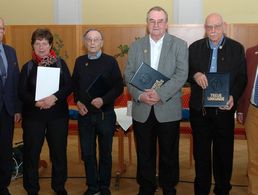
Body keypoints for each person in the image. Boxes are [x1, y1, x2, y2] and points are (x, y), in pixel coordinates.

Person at [124, 6, 188, 195]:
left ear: (166, 24)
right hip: (142, 108)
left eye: (160, 21)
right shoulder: (137, 46)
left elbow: (181, 74)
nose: (156, 24)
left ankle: (169, 187)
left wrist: (160, 94)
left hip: (167, 107)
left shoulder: (179, 45)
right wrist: (140, 95)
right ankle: (146, 187)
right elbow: (128, 74)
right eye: (152, 21)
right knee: (144, 152)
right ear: (147, 24)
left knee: (169, 153)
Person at [188, 13, 247, 195]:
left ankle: (222, 189)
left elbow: (241, 78)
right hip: (200, 110)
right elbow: (185, 71)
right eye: (209, 27)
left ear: (224, 26)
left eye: (217, 26)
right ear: (205, 28)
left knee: (224, 153)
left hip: (224, 110)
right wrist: (195, 75)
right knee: (201, 153)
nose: (213, 31)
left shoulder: (236, 48)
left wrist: (233, 96)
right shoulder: (194, 47)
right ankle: (201, 189)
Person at [18, 28, 72, 195]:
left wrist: (54, 98)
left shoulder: (60, 63)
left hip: (58, 116)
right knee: (31, 154)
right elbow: (21, 92)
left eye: (44, 43)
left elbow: (69, 86)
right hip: (34, 117)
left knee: (59, 153)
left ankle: (59, 187)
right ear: (32, 45)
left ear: (50, 45)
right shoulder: (27, 67)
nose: (41, 47)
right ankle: (32, 189)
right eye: (37, 43)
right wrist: (36, 102)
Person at [72, 29, 123, 195]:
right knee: (88, 153)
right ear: (84, 42)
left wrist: (104, 100)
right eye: (89, 39)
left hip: (105, 115)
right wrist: (78, 102)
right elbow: (75, 87)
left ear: (102, 42)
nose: (92, 43)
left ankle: (104, 187)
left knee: (105, 152)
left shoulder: (110, 62)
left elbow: (118, 87)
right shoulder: (79, 62)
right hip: (85, 115)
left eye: (96, 40)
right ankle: (92, 187)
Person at [0, 17, 22, 195]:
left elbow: (15, 82)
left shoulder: (10, 52)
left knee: (5, 149)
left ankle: (3, 185)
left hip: (7, 111)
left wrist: (17, 108)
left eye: (1, 29)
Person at [237, 45, 258, 195]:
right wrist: (240, 109)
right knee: (254, 157)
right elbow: (244, 83)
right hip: (253, 110)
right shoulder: (251, 52)